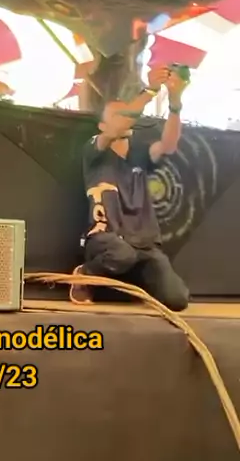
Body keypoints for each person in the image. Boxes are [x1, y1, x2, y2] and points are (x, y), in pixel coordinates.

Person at [72, 65, 189, 312]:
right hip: (105, 239)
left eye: (128, 113)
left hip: (144, 244)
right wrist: (150, 90)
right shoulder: (94, 150)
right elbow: (118, 126)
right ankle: (84, 275)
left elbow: (168, 144)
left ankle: (138, 283)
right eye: (118, 115)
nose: (127, 118)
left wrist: (175, 102)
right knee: (121, 253)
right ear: (102, 126)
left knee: (177, 299)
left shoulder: (141, 154)